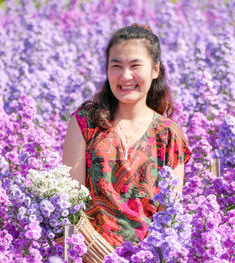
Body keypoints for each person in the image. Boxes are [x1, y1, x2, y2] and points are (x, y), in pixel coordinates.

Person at [62, 24, 191, 248]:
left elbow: (169, 214)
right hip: (88, 253)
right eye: (116, 66)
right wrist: (97, 253)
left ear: (155, 69)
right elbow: (71, 204)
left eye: (135, 65)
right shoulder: (85, 122)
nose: (125, 76)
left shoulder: (168, 135)